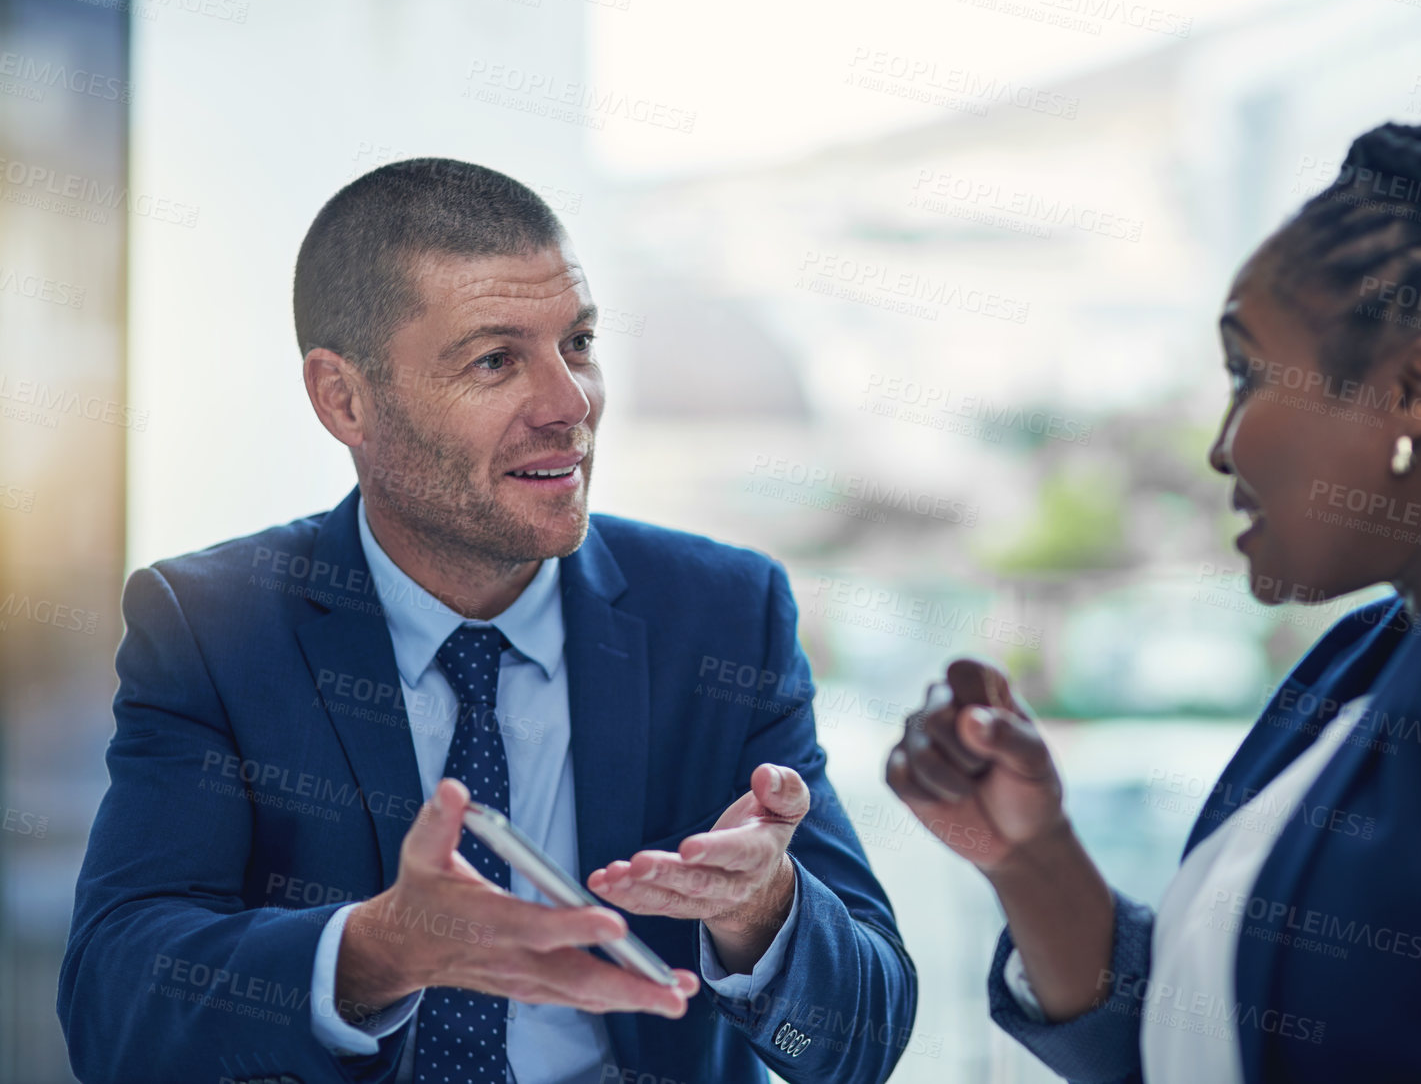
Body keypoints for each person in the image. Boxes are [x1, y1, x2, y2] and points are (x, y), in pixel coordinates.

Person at [887, 117, 1421, 1083]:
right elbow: (1202, 1048)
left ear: (1417, 390)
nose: (1221, 445)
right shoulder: (1366, 655)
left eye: (1247, 374)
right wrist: (1032, 854)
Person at [59, 159, 915, 1084]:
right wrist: (375, 950)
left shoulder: (720, 616)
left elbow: (859, 1048)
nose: (569, 403)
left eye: (578, 342)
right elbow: (116, 1010)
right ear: (345, 399)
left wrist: (765, 912)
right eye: (495, 359)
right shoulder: (213, 625)